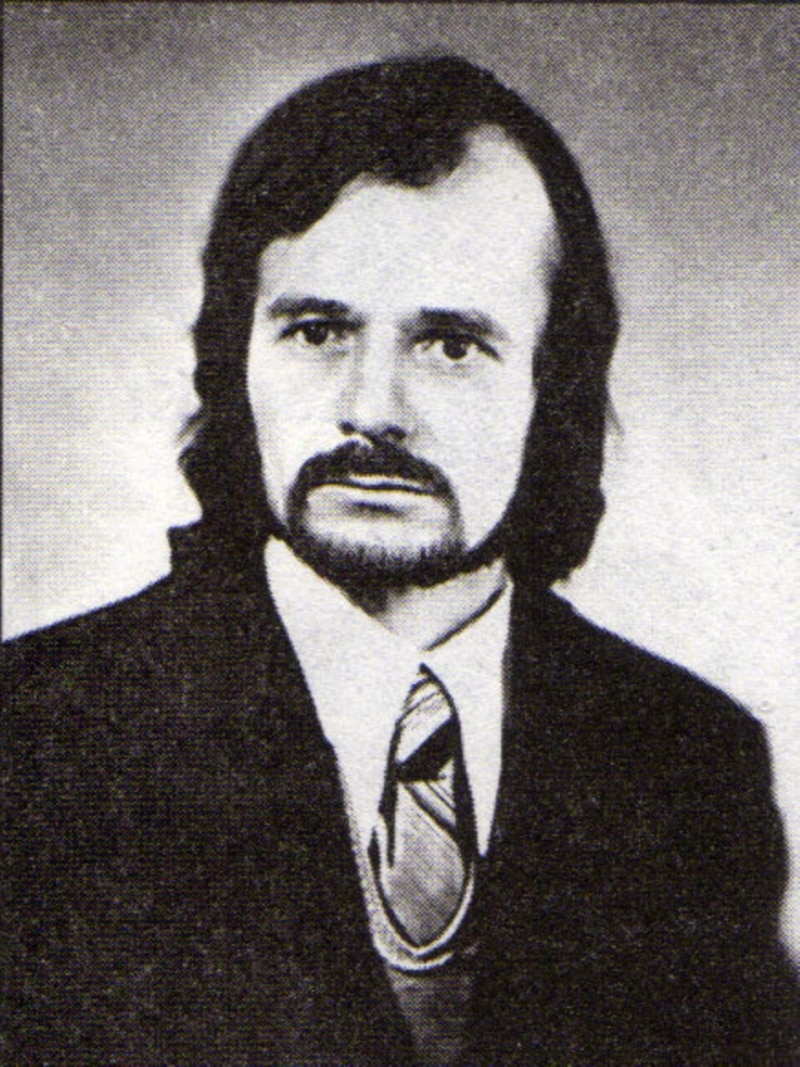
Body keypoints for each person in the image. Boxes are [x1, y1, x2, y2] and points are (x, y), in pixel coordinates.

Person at [3, 55, 798, 1065]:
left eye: (451, 345)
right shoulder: (35, 736)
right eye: (317, 331)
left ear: (552, 388)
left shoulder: (689, 760)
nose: (372, 408)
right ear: (235, 359)